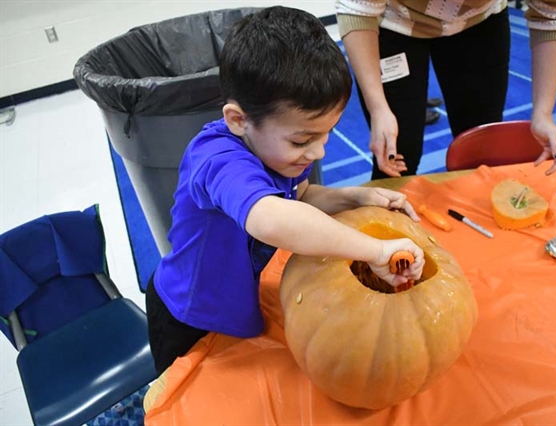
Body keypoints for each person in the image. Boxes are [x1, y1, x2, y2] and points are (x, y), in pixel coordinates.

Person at [145, 6, 426, 375]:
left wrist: (355, 197)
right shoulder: (217, 160)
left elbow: (301, 196)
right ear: (238, 120)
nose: (318, 152)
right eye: (302, 140)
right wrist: (375, 251)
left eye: (327, 134)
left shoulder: (278, 152)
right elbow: (270, 218)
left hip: (234, 301)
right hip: (188, 315)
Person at [335, 0, 556, 182]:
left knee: (481, 147)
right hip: (394, 22)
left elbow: (555, 12)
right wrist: (378, 108)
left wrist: (543, 113)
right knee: (397, 153)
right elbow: (357, 9)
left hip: (479, 23)